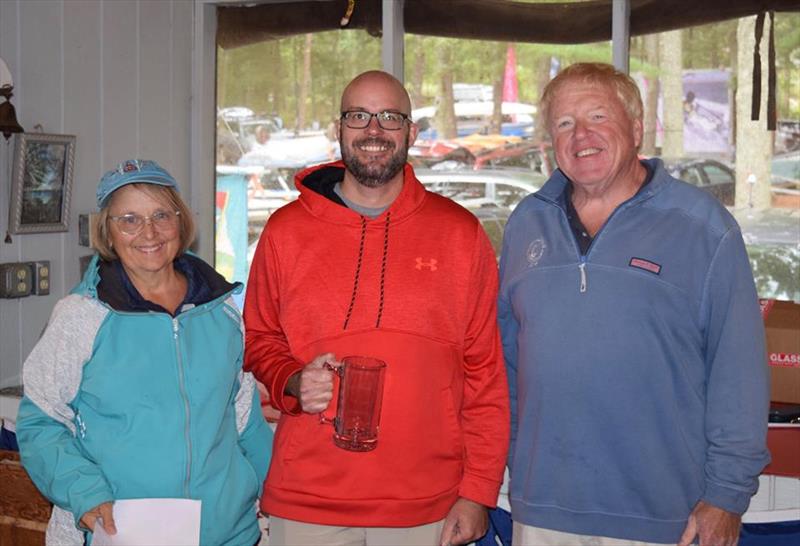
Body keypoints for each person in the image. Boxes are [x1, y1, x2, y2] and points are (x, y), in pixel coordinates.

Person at [498, 62, 770, 546]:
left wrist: (727, 496)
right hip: (542, 512)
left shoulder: (702, 226)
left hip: (665, 516)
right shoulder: (526, 223)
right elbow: (507, 362)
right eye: (564, 123)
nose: (581, 134)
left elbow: (739, 373)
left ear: (637, 127)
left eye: (598, 116)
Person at [244, 70, 509, 546]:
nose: (373, 130)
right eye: (358, 116)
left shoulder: (460, 234)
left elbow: (486, 374)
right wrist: (293, 379)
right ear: (338, 129)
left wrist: (478, 492)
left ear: (411, 132)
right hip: (307, 500)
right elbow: (259, 339)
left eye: (389, 117)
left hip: (428, 505)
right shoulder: (285, 231)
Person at [16, 159, 272, 545]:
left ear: (180, 222)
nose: (148, 232)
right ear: (108, 231)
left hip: (227, 531)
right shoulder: (80, 317)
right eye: (129, 219)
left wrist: (276, 486)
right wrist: (84, 492)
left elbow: (243, 416)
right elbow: (41, 423)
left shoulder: (221, 312)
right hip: (124, 530)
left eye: (160, 215)